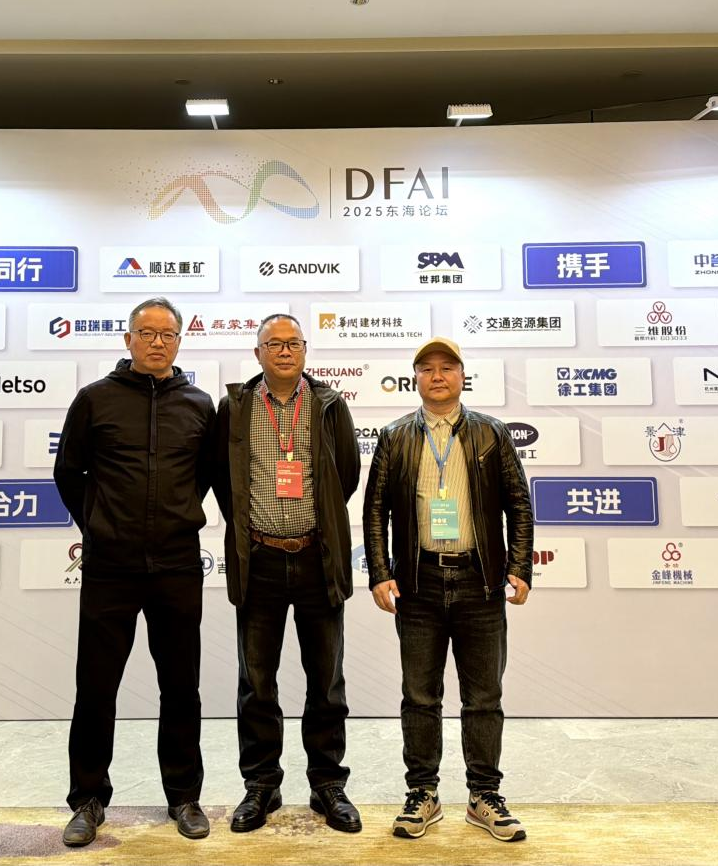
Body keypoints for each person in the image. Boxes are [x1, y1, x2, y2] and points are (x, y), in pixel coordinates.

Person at [54, 297, 216, 846]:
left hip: (176, 563)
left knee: (181, 686)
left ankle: (184, 796)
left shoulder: (199, 404)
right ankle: (87, 799)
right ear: (128, 340)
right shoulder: (94, 399)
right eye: (146, 333)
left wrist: (173, 516)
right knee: (96, 687)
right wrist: (101, 525)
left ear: (179, 341)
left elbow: (204, 476)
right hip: (111, 566)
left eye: (167, 334)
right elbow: (68, 472)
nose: (157, 342)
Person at [362, 337, 534, 842]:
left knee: (484, 697)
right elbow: (375, 511)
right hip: (418, 585)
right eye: (427, 369)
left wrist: (519, 565)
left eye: (447, 367)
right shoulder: (395, 436)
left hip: (481, 584)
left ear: (462, 376)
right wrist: (380, 571)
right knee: (420, 696)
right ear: (415, 378)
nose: (437, 376)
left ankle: (484, 795)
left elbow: (518, 503)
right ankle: (423, 793)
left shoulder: (491, 433)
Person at [212, 312, 363, 834]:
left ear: (304, 351)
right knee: (256, 683)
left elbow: (346, 475)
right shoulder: (235, 407)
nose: (283, 351)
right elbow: (223, 480)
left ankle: (328, 784)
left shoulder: (328, 404)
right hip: (261, 559)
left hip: (318, 558)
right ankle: (261, 785)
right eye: (273, 343)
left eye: (292, 343)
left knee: (327, 681)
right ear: (257, 353)